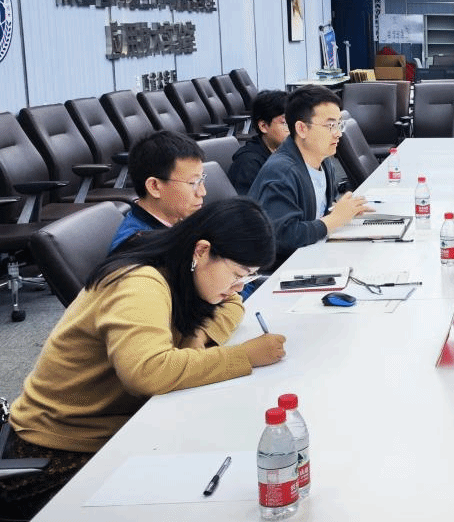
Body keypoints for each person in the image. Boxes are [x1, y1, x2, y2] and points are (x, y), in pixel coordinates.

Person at [0, 198, 287, 517]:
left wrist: (198, 335)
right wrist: (243, 356)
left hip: (117, 425)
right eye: (237, 274)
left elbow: (232, 304)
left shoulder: (183, 266)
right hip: (57, 451)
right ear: (202, 250)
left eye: (248, 278)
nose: (238, 287)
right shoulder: (140, 282)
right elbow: (148, 372)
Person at [248, 85, 370, 267]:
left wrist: (343, 211)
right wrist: (334, 220)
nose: (338, 133)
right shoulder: (282, 171)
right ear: (302, 129)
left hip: (312, 254)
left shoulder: (324, 161)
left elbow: (316, 214)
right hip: (282, 267)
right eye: (330, 125)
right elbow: (283, 237)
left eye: (339, 124)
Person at [110, 130, 206, 252]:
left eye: (201, 180)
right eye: (193, 183)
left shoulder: (178, 220)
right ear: (154, 187)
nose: (202, 192)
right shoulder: (139, 248)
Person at [228, 89, 289, 195]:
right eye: (285, 123)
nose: (292, 129)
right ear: (263, 126)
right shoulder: (248, 163)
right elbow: (247, 203)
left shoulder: (287, 153)